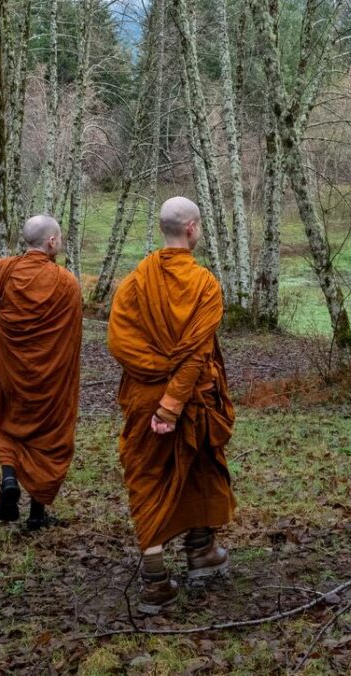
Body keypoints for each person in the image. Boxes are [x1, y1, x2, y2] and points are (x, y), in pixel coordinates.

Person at [107, 196, 236, 614]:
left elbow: (118, 345)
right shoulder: (205, 285)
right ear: (193, 229)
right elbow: (195, 354)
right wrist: (171, 403)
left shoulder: (133, 283)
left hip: (147, 395)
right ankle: (161, 577)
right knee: (188, 466)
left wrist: (159, 382)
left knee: (159, 474)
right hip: (183, 399)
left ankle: (189, 557)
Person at [0, 215, 83, 531]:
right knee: (47, 435)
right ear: (51, 242)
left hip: (12, 369)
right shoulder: (66, 282)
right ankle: (37, 514)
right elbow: (71, 335)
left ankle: (9, 478)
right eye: (60, 238)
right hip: (51, 376)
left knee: (10, 423)